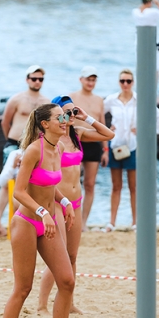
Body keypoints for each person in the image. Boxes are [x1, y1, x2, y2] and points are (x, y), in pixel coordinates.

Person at [2, 103, 80, 318]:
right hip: (26, 221)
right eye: (60, 117)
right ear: (45, 124)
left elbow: (48, 185)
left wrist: (65, 203)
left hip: (48, 221)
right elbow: (19, 191)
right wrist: (43, 212)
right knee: (22, 288)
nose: (65, 119)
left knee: (67, 281)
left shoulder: (57, 147)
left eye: (66, 116)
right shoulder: (34, 150)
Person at [37, 95, 114, 315]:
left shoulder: (77, 134)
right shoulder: (52, 140)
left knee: (72, 255)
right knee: (58, 254)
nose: (70, 116)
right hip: (58, 201)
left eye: (73, 112)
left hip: (76, 202)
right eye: (65, 112)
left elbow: (108, 134)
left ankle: (67, 302)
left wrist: (86, 117)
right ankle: (42, 304)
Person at [103, 69, 159, 232]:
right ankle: (112, 222)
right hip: (115, 145)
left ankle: (135, 223)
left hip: (132, 146)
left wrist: (145, 132)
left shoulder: (140, 100)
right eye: (122, 81)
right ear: (119, 82)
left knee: (134, 187)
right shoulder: (111, 100)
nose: (125, 84)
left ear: (133, 82)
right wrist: (106, 129)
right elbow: (98, 114)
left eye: (128, 81)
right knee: (115, 186)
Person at [0, 66, 50, 213]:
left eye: (40, 79)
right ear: (27, 79)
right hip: (14, 143)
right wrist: (10, 140)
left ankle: (22, 215)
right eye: (34, 79)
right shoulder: (16, 99)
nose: (37, 82)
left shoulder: (46, 102)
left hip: (34, 145)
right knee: (7, 182)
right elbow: (5, 122)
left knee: (28, 182)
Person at [68, 67, 107, 230]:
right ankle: (71, 217)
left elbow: (102, 124)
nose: (90, 83)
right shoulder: (72, 97)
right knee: (72, 181)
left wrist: (106, 150)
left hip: (93, 144)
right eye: (88, 79)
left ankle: (83, 222)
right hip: (76, 140)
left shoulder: (99, 100)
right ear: (81, 80)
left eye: (93, 80)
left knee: (90, 184)